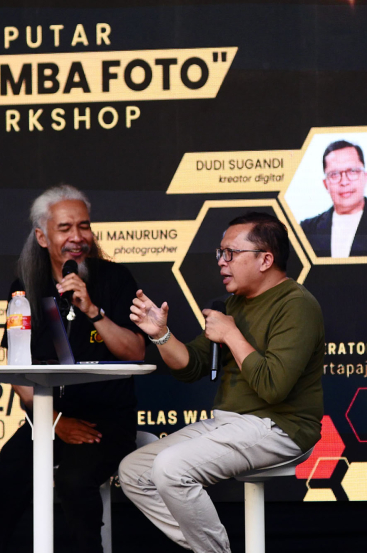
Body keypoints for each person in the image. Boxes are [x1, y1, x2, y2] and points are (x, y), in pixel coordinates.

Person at [119, 212, 324, 553]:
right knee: (134, 470)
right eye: (220, 253)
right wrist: (161, 335)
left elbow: (273, 387)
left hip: (281, 427)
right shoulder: (233, 304)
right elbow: (191, 366)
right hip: (229, 423)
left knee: (171, 467)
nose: (221, 262)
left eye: (231, 253)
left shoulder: (297, 305)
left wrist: (231, 334)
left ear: (265, 259)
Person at [0, 185, 146, 553]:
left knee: (75, 481)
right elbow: (16, 368)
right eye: (65, 228)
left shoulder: (115, 279)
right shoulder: (27, 287)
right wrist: (53, 421)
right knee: (5, 483)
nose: (77, 238)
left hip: (105, 420)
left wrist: (92, 311)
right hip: (47, 419)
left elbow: (135, 353)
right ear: (42, 236)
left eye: (84, 226)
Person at [299, 140, 367, 257]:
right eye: (334, 174)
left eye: (352, 171)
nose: (344, 182)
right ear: (326, 184)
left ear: (365, 177)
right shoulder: (307, 231)